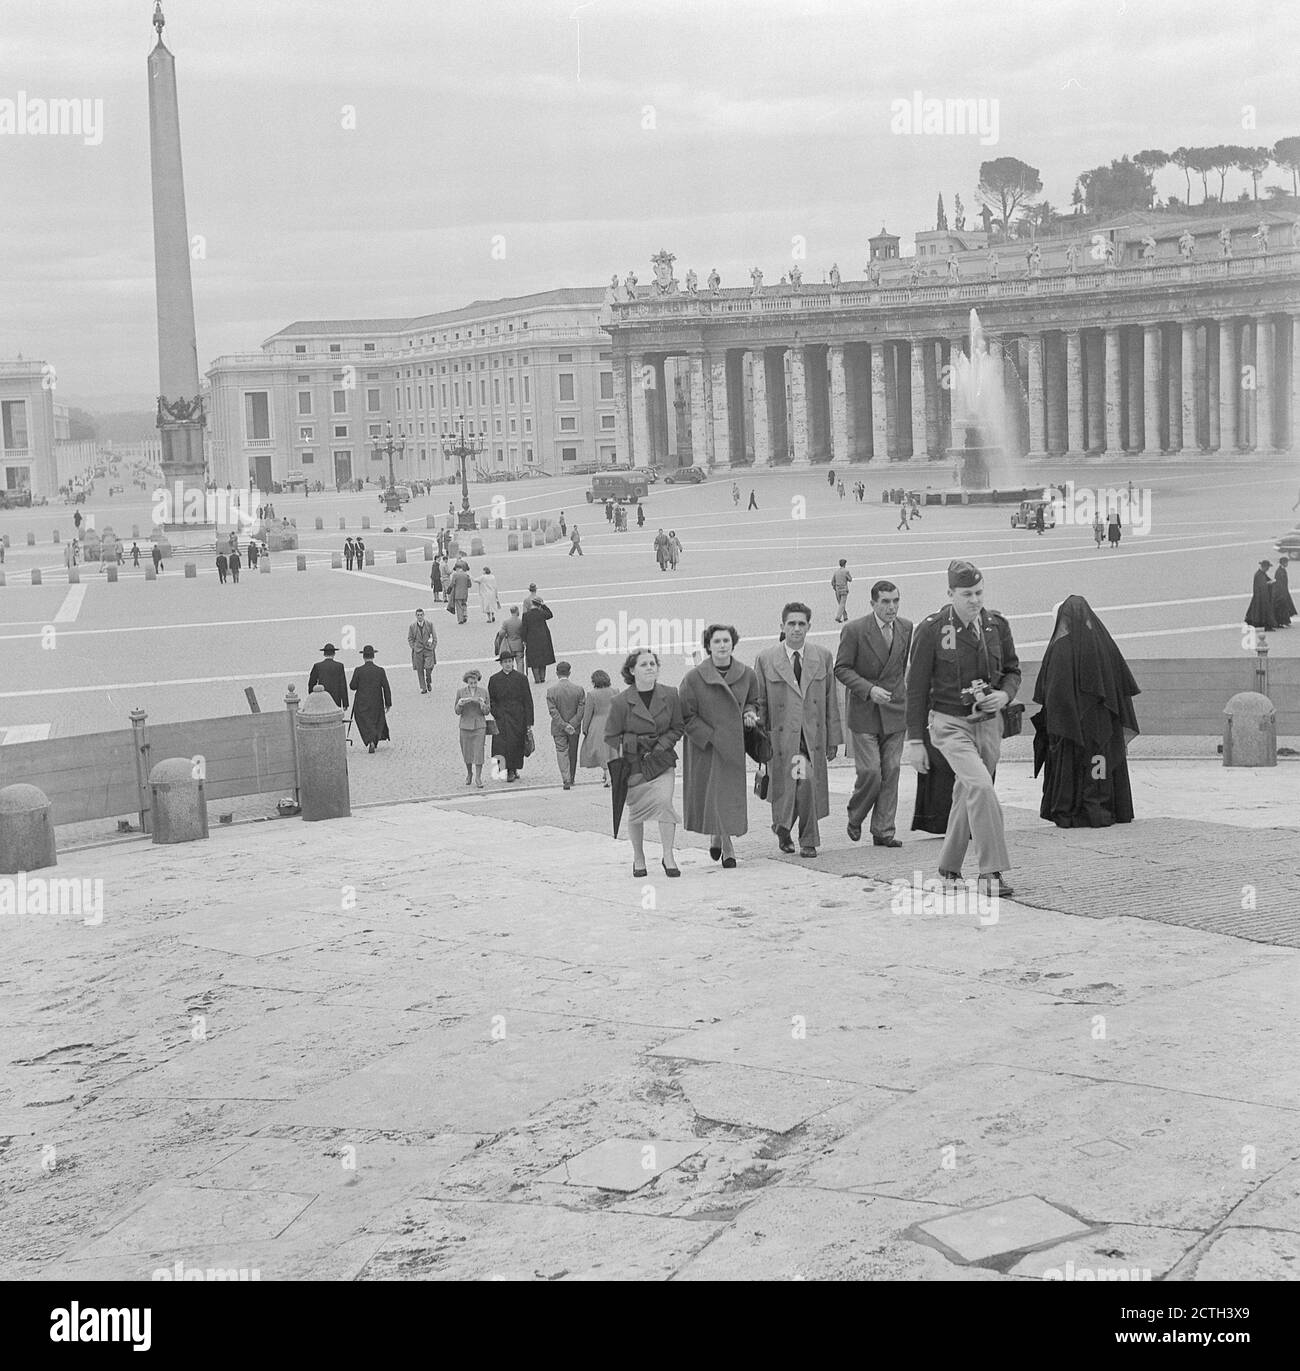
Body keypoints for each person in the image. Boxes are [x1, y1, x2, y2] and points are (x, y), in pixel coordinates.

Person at [904, 559, 1020, 898]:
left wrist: (1004, 695)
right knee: (982, 787)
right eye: (967, 593)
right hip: (950, 724)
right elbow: (915, 689)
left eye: (979, 592)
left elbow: (1012, 670)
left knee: (967, 792)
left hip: (988, 723)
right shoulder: (932, 629)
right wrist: (915, 741)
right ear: (951, 593)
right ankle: (990, 872)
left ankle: (949, 866)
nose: (975, 600)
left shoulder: (996, 625)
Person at [1032, 596, 1140, 829]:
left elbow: (1052, 690)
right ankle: (1101, 810)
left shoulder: (1060, 647)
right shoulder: (1105, 645)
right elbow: (1119, 686)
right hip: (1102, 723)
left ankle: (1073, 810)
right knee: (1098, 762)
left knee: (1075, 764)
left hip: (1070, 724)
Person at [753, 603, 842, 858]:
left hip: (810, 738)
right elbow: (759, 702)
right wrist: (759, 740)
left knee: (806, 782)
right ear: (782, 626)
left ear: (809, 627)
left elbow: (830, 700)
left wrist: (833, 739)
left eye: (801, 624)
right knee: (789, 786)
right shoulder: (766, 658)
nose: (796, 629)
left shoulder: (822, 656)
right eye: (791, 624)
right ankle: (784, 827)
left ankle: (807, 839)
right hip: (781, 739)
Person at [835, 580, 911, 847]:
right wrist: (869, 690)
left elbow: (900, 666)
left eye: (895, 601)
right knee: (871, 772)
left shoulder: (906, 627)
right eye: (886, 602)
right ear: (873, 604)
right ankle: (856, 815)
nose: (892, 607)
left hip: (895, 710)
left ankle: (883, 830)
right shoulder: (854, 630)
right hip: (865, 711)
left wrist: (896, 693)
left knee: (892, 770)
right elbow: (841, 669)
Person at [679, 624, 761, 869]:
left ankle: (719, 836)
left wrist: (749, 713)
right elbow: (685, 715)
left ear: (733, 644)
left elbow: (755, 702)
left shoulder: (747, 674)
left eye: (726, 640)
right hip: (705, 748)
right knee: (714, 794)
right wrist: (709, 736)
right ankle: (727, 847)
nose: (722, 645)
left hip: (733, 745)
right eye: (717, 641)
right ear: (709, 646)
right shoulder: (693, 678)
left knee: (725, 796)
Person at [605, 649, 685, 877]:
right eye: (644, 664)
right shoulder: (620, 702)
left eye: (653, 663)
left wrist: (660, 745)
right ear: (632, 670)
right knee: (636, 811)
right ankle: (638, 856)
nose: (650, 667)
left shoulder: (670, 694)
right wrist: (635, 741)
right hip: (634, 764)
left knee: (664, 803)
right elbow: (611, 736)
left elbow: (678, 727)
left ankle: (668, 854)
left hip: (662, 762)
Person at [488, 650, 533, 782]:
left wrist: (529, 721)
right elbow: (491, 700)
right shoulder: (494, 679)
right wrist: (496, 713)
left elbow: (527, 700)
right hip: (502, 717)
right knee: (501, 745)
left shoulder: (521, 678)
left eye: (510, 662)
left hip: (518, 717)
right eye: (505, 662)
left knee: (516, 744)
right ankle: (504, 769)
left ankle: (513, 769)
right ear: (501, 664)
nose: (508, 664)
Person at [546, 661, 586, 789]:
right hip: (574, 728)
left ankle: (566, 778)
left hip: (558, 728)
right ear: (569, 672)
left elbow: (553, 712)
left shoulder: (551, 691)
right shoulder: (579, 689)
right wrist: (571, 724)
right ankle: (572, 777)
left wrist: (563, 725)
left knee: (561, 751)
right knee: (572, 752)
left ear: (557, 673)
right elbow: (581, 710)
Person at [348, 645, 393, 753]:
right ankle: (374, 739)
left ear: (363, 657)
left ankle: (370, 739)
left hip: (362, 702)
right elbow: (386, 687)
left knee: (364, 721)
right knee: (376, 721)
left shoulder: (358, 670)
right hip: (376, 702)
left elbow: (352, 686)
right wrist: (388, 703)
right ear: (373, 656)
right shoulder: (380, 670)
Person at [579, 669, 618, 787]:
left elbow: (588, 713)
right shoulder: (615, 691)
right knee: (612, 751)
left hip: (597, 724)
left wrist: (584, 729)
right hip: (613, 722)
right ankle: (608, 775)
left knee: (601, 751)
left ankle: (607, 775)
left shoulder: (592, 694)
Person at [453, 667, 490, 788]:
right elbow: (457, 711)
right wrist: (460, 704)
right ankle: (469, 773)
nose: (473, 685)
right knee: (467, 751)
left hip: (479, 725)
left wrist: (482, 704)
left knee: (479, 751)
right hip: (465, 725)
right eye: (471, 683)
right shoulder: (461, 692)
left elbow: (487, 711)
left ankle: (478, 777)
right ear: (467, 682)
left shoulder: (483, 692)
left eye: (475, 682)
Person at [521, 592, 556, 683]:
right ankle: (542, 678)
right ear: (539, 605)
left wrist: (524, 640)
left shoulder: (526, 615)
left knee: (534, 660)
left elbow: (524, 629)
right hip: (543, 638)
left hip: (531, 639)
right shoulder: (542, 613)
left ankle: (537, 679)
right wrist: (544, 606)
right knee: (543, 659)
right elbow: (550, 614)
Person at [308, 642, 348, 709]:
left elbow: (311, 684)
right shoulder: (339, 666)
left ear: (324, 654)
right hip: (336, 699)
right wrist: (345, 703)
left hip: (322, 699)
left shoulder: (317, 666)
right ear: (334, 654)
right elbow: (343, 685)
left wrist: (312, 698)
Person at [408, 608, 437, 693]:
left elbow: (434, 636)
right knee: (419, 669)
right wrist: (413, 647)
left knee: (429, 667)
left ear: (423, 615)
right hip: (418, 651)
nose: (420, 617)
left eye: (421, 615)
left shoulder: (429, 624)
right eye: (418, 615)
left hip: (428, 649)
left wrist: (432, 647)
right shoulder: (412, 626)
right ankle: (423, 687)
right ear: (416, 616)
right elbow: (410, 638)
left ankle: (428, 680)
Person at [1245, 559, 1278, 631]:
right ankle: (1268, 626)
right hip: (1261, 597)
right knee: (1265, 611)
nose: (1268, 569)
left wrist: (1270, 581)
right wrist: (1270, 583)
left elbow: (1265, 581)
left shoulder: (1261, 573)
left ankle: (1251, 622)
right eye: (1268, 568)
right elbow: (1262, 585)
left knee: (1256, 611)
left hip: (1260, 596)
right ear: (1265, 567)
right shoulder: (1259, 575)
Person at [1273, 556, 1296, 627]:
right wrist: (1282, 594)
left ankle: (1286, 621)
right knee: (1282, 608)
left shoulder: (1282, 570)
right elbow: (1279, 584)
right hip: (1281, 593)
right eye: (1286, 562)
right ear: (1283, 563)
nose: (1287, 564)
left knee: (1285, 607)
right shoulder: (1279, 571)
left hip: (1284, 591)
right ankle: (1281, 622)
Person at [830, 559, 853, 623]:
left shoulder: (836, 572)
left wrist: (835, 588)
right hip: (843, 589)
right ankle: (838, 617)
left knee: (840, 604)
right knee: (842, 604)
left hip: (837, 590)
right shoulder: (846, 571)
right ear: (845, 564)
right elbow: (850, 579)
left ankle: (845, 617)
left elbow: (832, 582)